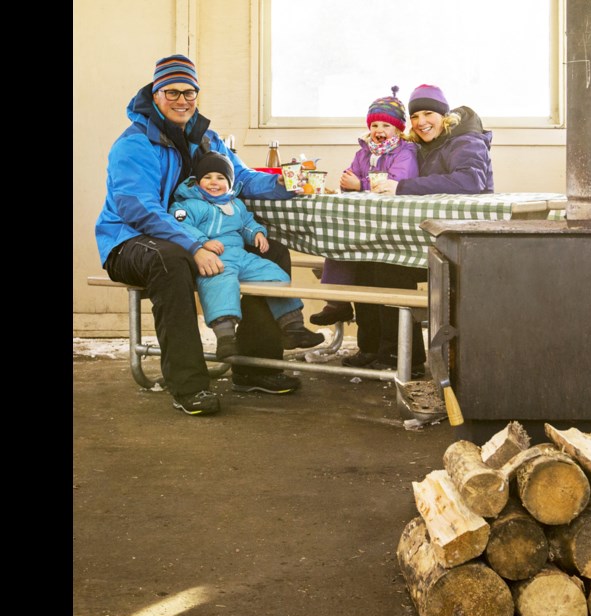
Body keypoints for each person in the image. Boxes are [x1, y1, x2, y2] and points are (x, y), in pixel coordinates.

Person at [95, 54, 304, 417]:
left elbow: (241, 179)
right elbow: (137, 208)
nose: (182, 100)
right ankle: (188, 384)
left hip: (191, 239)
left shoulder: (206, 138)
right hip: (128, 240)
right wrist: (193, 246)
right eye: (172, 92)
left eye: (189, 92)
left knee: (270, 252)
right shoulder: (134, 144)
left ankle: (255, 368)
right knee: (170, 260)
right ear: (155, 94)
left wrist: (288, 183)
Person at [359, 84, 495, 374]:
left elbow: (471, 181)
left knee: (387, 268)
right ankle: (374, 349)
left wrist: (402, 187)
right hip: (429, 239)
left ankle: (400, 356)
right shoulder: (421, 146)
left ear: (444, 115)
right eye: (416, 115)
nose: (421, 122)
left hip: (462, 244)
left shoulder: (465, 141)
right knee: (369, 261)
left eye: (429, 113)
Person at [169, 151, 326, 361]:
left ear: (230, 183)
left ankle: (292, 327)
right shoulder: (188, 205)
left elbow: (247, 224)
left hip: (242, 257)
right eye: (207, 177)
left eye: (221, 178)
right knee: (220, 284)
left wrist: (257, 233)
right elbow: (181, 226)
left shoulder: (236, 204)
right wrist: (202, 242)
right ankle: (226, 338)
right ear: (197, 182)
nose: (214, 183)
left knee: (274, 273)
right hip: (216, 259)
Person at [309, 87, 419, 344]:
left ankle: (372, 333)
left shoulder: (405, 152)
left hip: (392, 223)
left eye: (386, 125)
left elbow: (399, 180)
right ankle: (337, 301)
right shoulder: (364, 151)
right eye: (375, 124)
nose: (379, 130)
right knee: (338, 237)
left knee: (365, 261)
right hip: (364, 218)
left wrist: (361, 185)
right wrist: (350, 181)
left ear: (399, 129)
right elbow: (351, 174)